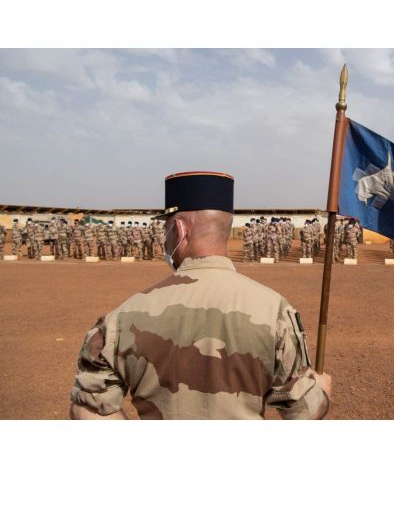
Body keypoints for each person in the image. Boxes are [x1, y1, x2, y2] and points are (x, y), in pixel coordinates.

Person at [69, 171, 331, 420]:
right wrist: (322, 391)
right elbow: (303, 413)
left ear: (180, 231)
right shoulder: (274, 312)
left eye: (167, 228)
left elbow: (89, 410)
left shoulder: (122, 319)